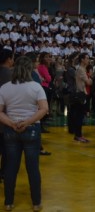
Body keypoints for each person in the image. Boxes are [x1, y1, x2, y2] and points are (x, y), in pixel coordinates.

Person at [0, 56, 48, 212]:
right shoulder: (36, 87)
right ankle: (36, 202)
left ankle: (8, 202)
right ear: (29, 69)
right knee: (32, 167)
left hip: (10, 130)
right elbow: (43, 109)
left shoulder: (5, 88)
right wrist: (27, 122)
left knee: (11, 167)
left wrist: (12, 123)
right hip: (31, 129)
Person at [0, 49, 14, 184]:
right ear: (9, 59)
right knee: (5, 148)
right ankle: (3, 173)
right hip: (3, 115)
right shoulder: (7, 74)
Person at [73, 53, 92, 143]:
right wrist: (91, 77)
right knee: (80, 116)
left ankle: (78, 134)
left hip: (80, 92)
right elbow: (88, 82)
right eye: (87, 58)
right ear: (82, 60)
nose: (88, 60)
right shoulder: (81, 69)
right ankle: (78, 135)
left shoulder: (81, 69)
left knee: (79, 115)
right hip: (81, 93)